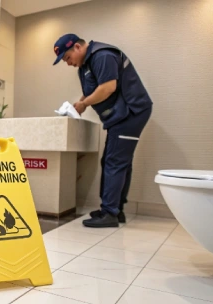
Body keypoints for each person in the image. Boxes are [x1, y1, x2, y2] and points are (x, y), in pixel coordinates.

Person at [53, 34, 153, 228]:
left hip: (131, 112)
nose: (68, 63)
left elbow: (108, 87)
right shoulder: (88, 63)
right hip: (121, 116)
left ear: (77, 47)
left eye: (67, 58)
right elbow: (94, 88)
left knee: (114, 162)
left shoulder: (102, 55)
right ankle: (115, 210)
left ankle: (110, 213)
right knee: (117, 161)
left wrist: (83, 105)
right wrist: (81, 102)